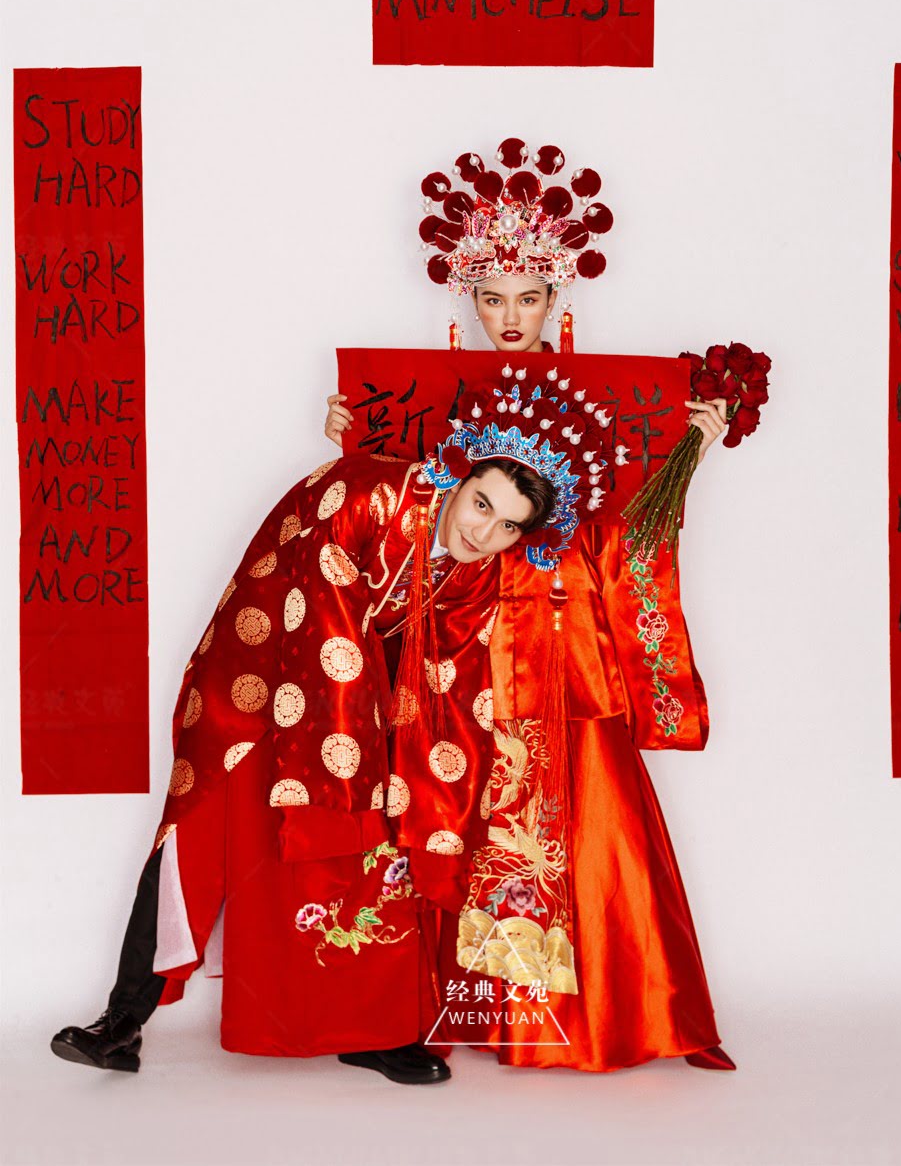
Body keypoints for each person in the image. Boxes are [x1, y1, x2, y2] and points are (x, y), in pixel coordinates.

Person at [322, 135, 738, 1072]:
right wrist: (353, 446)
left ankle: (613, 1015)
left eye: (529, 298)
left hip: (564, 636)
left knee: (587, 818)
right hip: (461, 639)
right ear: (467, 303)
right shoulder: (434, 402)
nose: (510, 317)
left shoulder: (615, 405)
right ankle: (448, 1010)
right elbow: (405, 518)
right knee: (453, 805)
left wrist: (685, 453)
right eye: (492, 299)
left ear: (559, 300)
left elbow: (630, 530)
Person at [50, 406, 578, 1084]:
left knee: (382, 848)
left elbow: (453, 671)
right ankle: (121, 1021)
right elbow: (321, 616)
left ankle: (375, 1029)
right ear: (459, 474)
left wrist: (427, 776)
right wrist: (365, 741)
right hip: (256, 680)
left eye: (508, 526)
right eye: (481, 503)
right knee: (195, 840)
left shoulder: (474, 572)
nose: (483, 532)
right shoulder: (366, 493)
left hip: (360, 708)